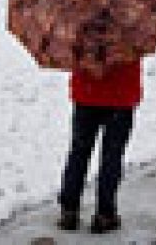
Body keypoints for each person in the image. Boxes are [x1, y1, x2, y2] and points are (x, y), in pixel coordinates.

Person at [57, 59, 142, 234]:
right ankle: (105, 214)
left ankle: (69, 210)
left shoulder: (81, 31)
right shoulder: (131, 32)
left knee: (79, 152)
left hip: (86, 94)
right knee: (112, 156)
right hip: (121, 95)